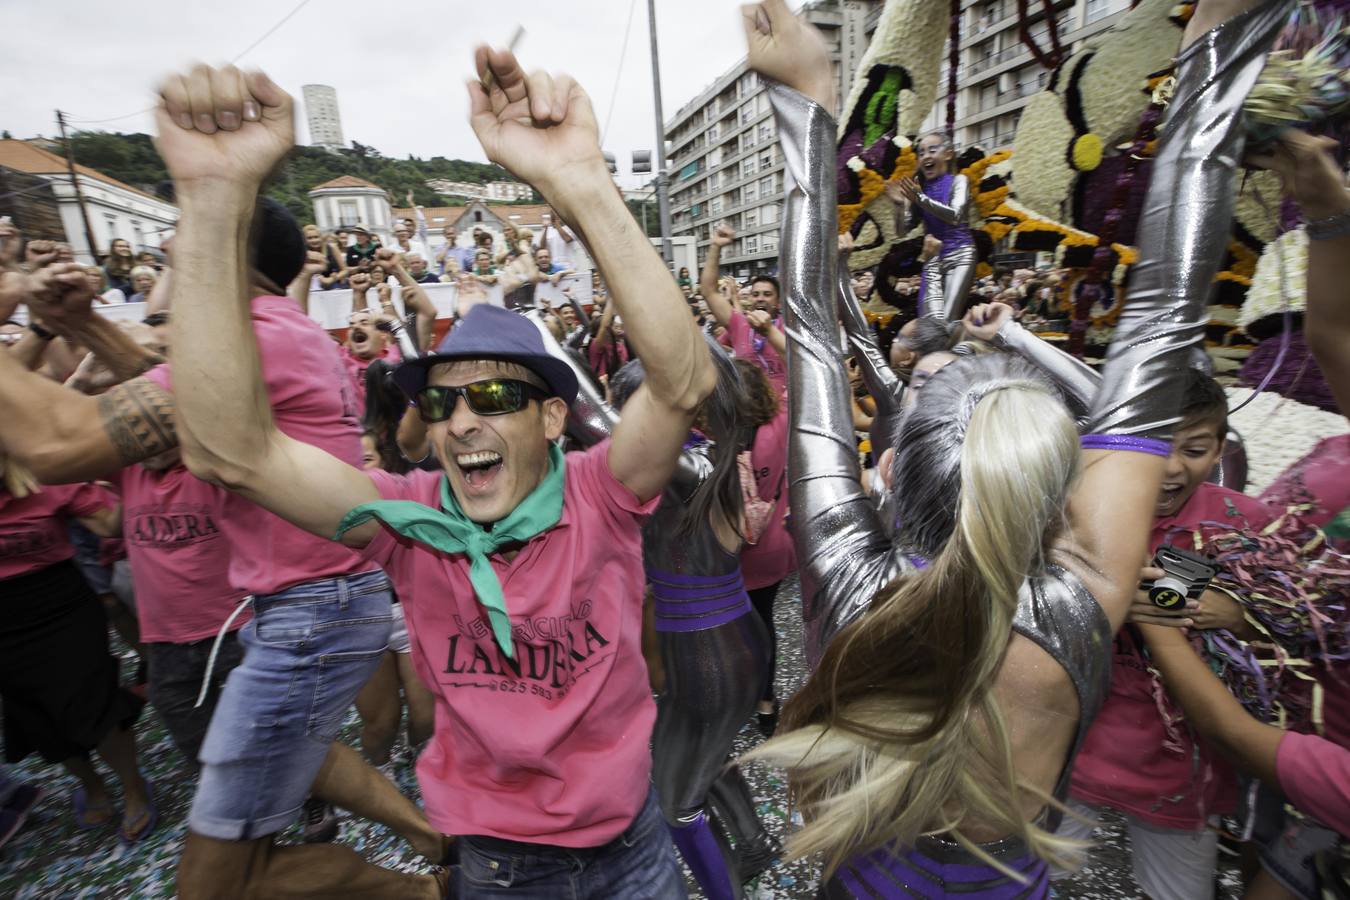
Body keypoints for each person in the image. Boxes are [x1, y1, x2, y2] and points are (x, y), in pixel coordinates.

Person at [738, 1, 1287, 897]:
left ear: (890, 468)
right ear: (1059, 490)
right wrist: (1221, 48)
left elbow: (807, 333)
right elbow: (1166, 308)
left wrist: (807, 99)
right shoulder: (1089, 594)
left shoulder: (847, 572)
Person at [157, 48, 715, 898]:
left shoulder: (601, 493)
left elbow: (683, 380)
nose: (464, 420)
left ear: (553, 418)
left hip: (631, 851)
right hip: (492, 864)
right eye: (445, 402)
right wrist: (210, 198)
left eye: (494, 395)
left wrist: (582, 181)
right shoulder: (407, 524)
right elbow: (231, 451)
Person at [0, 212, 447, 894]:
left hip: (308, 612)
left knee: (213, 887)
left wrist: (17, 311)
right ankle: (435, 873)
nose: (169, 241)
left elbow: (56, 444)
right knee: (242, 867)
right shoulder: (266, 334)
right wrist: (82, 327)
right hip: (300, 607)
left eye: (186, 224)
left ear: (225, 249)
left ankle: (431, 887)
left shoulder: (256, 339)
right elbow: (175, 401)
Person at [0, 452, 153, 843]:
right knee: (40, 717)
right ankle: (93, 787)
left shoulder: (42, 474)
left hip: (58, 606)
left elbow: (108, 522)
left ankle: (134, 787)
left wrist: (132, 475)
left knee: (91, 705)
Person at [887, 134, 976, 322]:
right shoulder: (921, 189)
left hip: (960, 256)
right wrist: (899, 205)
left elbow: (955, 216)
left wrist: (920, 198)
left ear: (948, 154)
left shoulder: (959, 181)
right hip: (933, 258)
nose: (926, 156)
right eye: (921, 153)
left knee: (946, 320)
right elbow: (903, 231)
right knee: (927, 320)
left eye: (932, 150)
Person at [698, 227, 787, 394]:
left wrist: (769, 331)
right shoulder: (739, 323)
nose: (760, 298)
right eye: (755, 294)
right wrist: (715, 247)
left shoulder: (789, 329)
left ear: (779, 303)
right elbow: (709, 291)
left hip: (782, 413)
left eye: (767, 294)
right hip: (745, 411)